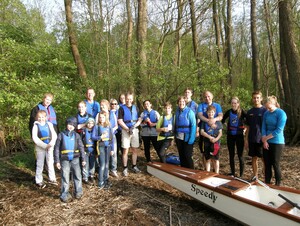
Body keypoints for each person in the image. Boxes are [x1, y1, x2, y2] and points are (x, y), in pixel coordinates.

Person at [54, 117, 86, 203]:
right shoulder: (61, 135)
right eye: (69, 124)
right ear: (66, 124)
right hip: (64, 159)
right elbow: (56, 148)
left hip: (75, 159)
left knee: (77, 175)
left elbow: (81, 147)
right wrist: (57, 161)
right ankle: (64, 193)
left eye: (73, 125)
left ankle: (78, 192)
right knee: (65, 176)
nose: (70, 126)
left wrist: (83, 159)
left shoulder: (77, 136)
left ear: (75, 126)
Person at [262, 96, 287, 186]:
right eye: (267, 107)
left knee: (275, 163)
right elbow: (263, 127)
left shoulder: (281, 113)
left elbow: (279, 129)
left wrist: (266, 138)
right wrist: (264, 140)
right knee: (267, 164)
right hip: (266, 141)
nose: (269, 109)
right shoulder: (266, 113)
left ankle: (278, 184)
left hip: (277, 142)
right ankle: (267, 182)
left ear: (274, 104)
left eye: (270, 107)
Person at [117, 92, 142, 176]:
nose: (128, 100)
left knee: (134, 149)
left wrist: (135, 126)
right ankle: (125, 168)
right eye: (127, 99)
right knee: (125, 150)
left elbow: (139, 119)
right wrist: (127, 129)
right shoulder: (121, 108)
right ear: (125, 99)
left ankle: (134, 166)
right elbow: (120, 120)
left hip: (134, 129)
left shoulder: (136, 108)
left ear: (132, 99)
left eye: (130, 99)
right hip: (125, 130)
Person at [222, 97, 247, 177]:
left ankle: (241, 174)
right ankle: (232, 173)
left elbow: (248, 121)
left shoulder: (242, 112)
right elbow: (222, 120)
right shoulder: (228, 112)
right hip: (230, 136)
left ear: (238, 104)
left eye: (235, 103)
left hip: (239, 136)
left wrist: (245, 129)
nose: (233, 104)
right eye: (232, 103)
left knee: (240, 156)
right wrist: (227, 126)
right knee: (231, 155)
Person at [32, 110, 58, 188]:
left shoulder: (49, 124)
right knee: (40, 163)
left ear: (46, 117)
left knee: (50, 162)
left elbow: (54, 135)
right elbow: (35, 138)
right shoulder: (35, 126)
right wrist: (44, 145)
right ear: (37, 118)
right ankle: (39, 180)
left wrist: (51, 144)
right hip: (40, 147)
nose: (41, 119)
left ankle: (52, 178)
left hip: (50, 146)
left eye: (43, 117)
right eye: (39, 117)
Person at [244, 91, 267, 181]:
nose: (256, 99)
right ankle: (255, 176)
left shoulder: (265, 111)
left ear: (261, 98)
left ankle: (266, 177)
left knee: (264, 158)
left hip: (262, 139)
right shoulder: (250, 112)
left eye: (258, 97)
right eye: (254, 98)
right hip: (252, 138)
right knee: (254, 158)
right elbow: (248, 127)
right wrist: (246, 140)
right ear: (252, 99)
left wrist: (266, 139)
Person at [197, 91, 223, 169]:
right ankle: (206, 169)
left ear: (212, 96)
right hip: (204, 129)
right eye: (205, 97)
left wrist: (214, 120)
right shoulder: (201, 105)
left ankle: (215, 171)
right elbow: (200, 115)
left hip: (215, 131)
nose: (207, 98)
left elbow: (220, 115)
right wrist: (208, 121)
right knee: (204, 152)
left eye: (208, 96)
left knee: (215, 154)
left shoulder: (217, 105)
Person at [96, 99, 118, 177]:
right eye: (101, 105)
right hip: (102, 138)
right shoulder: (99, 114)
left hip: (112, 136)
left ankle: (113, 169)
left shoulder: (112, 114)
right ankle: (105, 170)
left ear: (107, 106)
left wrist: (110, 131)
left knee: (113, 153)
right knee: (103, 154)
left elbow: (116, 125)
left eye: (103, 105)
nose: (102, 107)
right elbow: (96, 125)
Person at [92, 112, 114, 190]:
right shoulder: (97, 126)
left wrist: (112, 149)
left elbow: (112, 138)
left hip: (108, 147)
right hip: (101, 146)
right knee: (102, 165)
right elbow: (93, 137)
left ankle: (106, 180)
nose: (101, 119)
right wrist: (100, 137)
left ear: (106, 118)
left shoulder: (109, 126)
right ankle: (100, 182)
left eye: (103, 117)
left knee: (107, 165)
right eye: (100, 117)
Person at [174, 96, 197, 169]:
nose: (181, 103)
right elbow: (174, 124)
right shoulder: (177, 112)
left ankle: (191, 171)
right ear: (178, 103)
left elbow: (193, 125)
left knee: (187, 155)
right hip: (179, 137)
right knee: (181, 155)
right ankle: (183, 171)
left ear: (185, 103)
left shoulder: (190, 112)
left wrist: (192, 138)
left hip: (187, 137)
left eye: (183, 102)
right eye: (180, 102)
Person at [201, 106, 223, 173]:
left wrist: (216, 139)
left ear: (214, 113)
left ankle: (217, 173)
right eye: (209, 112)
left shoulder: (218, 122)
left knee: (216, 159)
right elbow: (202, 132)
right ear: (207, 113)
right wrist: (209, 137)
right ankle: (207, 173)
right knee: (208, 159)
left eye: (212, 112)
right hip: (207, 141)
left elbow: (220, 133)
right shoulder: (204, 122)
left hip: (216, 143)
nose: (211, 114)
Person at [80, 117, 96, 184]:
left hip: (92, 149)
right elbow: (80, 141)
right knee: (85, 163)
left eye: (92, 123)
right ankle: (85, 177)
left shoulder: (95, 131)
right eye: (89, 123)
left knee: (92, 163)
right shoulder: (83, 131)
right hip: (85, 149)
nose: (90, 124)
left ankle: (91, 175)